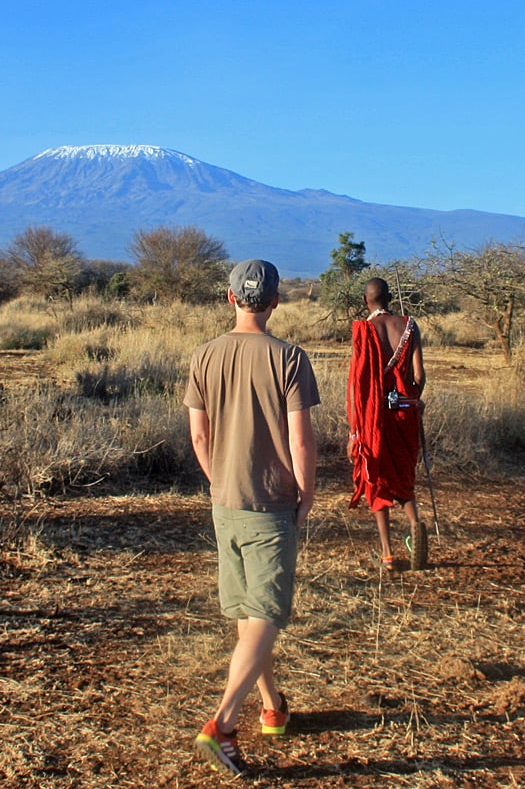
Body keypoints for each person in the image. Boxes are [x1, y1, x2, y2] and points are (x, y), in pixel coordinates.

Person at [184, 258, 320, 778]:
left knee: (247, 611)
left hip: (225, 500)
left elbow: (199, 437)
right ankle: (220, 725)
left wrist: (219, 479)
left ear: (229, 297)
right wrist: (305, 492)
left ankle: (273, 708)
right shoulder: (289, 358)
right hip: (270, 501)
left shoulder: (204, 355)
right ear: (276, 302)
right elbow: (300, 437)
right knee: (266, 613)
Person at [347, 276, 427, 571]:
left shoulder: (364, 330)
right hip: (405, 412)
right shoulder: (409, 325)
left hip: (374, 417)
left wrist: (355, 432)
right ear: (390, 297)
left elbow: (358, 385)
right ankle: (416, 525)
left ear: (366, 301)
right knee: (403, 475)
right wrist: (415, 399)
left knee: (377, 479)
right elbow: (419, 378)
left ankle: (388, 554)